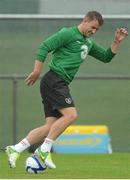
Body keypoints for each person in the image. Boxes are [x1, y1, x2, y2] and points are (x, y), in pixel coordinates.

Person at [6, 11, 128, 169]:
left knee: (50, 126)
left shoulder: (88, 43)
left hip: (57, 82)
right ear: (85, 20)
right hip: (54, 80)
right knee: (71, 115)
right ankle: (44, 149)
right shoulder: (68, 33)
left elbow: (106, 57)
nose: (94, 31)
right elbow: (45, 46)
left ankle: (16, 149)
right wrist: (36, 70)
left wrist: (116, 41)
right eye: (92, 27)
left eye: (97, 30)